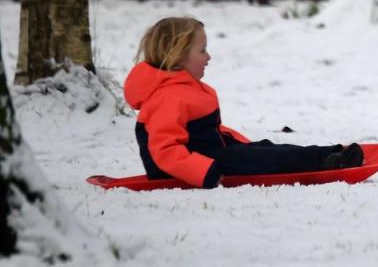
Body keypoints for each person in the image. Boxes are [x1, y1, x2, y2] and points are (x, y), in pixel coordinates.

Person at [124, 16, 364, 188]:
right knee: (270, 159)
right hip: (200, 167)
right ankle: (332, 162)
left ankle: (329, 153)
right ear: (176, 56)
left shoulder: (181, 88)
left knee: (267, 148)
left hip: (212, 155)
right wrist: (203, 173)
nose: (209, 57)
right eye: (202, 51)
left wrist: (243, 144)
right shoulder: (167, 97)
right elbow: (164, 151)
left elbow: (205, 132)